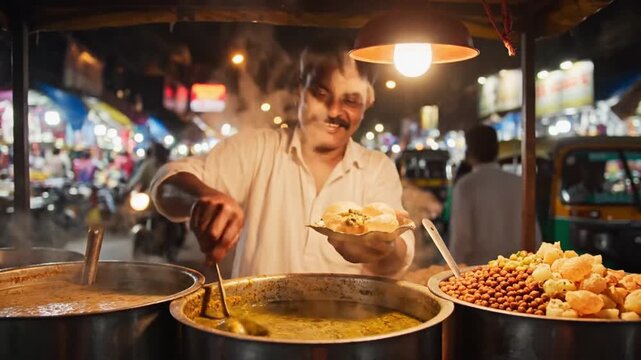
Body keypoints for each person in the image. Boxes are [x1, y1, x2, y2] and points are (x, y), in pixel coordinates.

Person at [150, 42, 414, 278]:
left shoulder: (377, 168)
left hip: (345, 329)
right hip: (255, 328)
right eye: (321, 93)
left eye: (351, 100)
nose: (334, 110)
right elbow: (166, 183)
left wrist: (383, 248)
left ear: (368, 103)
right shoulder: (257, 148)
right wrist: (201, 197)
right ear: (300, 92)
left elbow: (395, 265)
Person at [449, 125, 540, 265]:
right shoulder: (519, 183)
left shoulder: (466, 186)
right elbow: (535, 235)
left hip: (480, 275)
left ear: (469, 152)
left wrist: (452, 270)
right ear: (497, 150)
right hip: (518, 273)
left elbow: (461, 239)